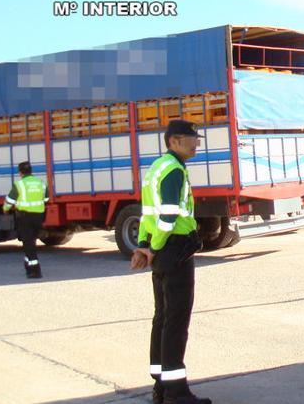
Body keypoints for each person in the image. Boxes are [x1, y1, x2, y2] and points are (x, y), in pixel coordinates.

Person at [130, 120, 211, 404]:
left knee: (162, 318)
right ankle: (177, 393)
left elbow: (146, 214)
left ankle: (161, 387)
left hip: (163, 250)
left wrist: (143, 245)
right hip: (173, 250)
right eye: (193, 138)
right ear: (175, 140)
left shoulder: (156, 167)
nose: (197, 143)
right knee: (176, 321)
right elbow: (166, 217)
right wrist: (153, 248)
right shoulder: (174, 170)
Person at [2, 161, 49, 279]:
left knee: (28, 242)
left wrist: (5, 209)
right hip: (38, 216)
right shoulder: (40, 183)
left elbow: (9, 201)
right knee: (31, 241)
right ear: (31, 171)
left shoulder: (19, 184)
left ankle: (35, 270)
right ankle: (28, 265)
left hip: (24, 216)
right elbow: (46, 198)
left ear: (20, 172)